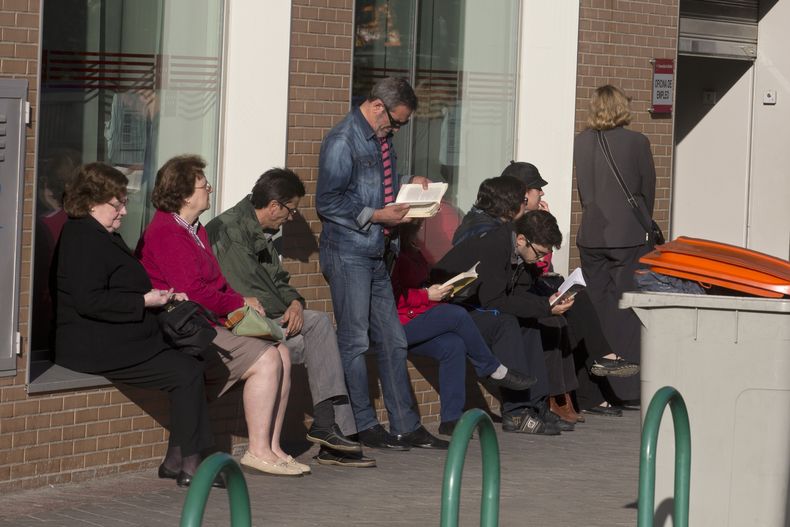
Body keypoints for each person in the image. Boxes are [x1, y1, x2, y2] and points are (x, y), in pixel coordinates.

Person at [53, 162, 221, 488]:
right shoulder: (83, 238)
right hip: (94, 345)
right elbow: (90, 301)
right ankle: (189, 462)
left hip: (116, 336)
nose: (125, 212)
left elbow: (116, 287)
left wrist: (160, 297)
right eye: (117, 204)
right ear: (90, 202)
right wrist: (145, 302)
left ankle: (179, 458)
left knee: (193, 360)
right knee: (185, 371)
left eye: (125, 203)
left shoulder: (99, 233)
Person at [136, 155, 303, 477]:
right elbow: (194, 291)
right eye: (204, 186)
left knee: (281, 350)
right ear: (185, 195)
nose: (210, 190)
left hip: (207, 318)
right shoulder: (168, 233)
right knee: (267, 359)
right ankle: (257, 451)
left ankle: (272, 447)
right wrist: (238, 302)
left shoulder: (193, 229)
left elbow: (215, 282)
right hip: (182, 325)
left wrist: (239, 304)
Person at [206, 167, 374, 468]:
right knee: (317, 341)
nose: (292, 216)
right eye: (291, 210)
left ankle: (329, 426)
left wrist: (295, 303)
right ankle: (333, 431)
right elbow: (247, 290)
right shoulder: (230, 230)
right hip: (241, 328)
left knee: (318, 322)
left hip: (266, 320)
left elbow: (278, 281)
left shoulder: (260, 231)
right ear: (274, 206)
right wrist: (286, 308)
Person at [316, 76, 447, 450]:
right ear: (377, 107)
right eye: (396, 121)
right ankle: (362, 423)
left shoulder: (380, 139)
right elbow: (328, 202)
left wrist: (410, 181)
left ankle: (406, 425)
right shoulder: (343, 140)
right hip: (349, 252)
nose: (397, 129)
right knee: (355, 341)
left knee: (393, 340)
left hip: (377, 253)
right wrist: (377, 216)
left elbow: (376, 185)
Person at [435, 211, 576, 434]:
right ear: (521, 240)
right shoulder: (493, 247)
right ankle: (516, 412)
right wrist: (544, 307)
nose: (540, 260)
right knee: (507, 323)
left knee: (530, 323)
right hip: (450, 310)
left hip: (476, 307)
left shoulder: (520, 252)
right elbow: (495, 300)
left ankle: (537, 404)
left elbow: (519, 293)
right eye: (539, 253)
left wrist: (547, 303)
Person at [391, 221, 536, 436]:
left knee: (454, 345)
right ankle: (492, 369)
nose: (422, 228)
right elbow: (391, 295)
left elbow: (421, 284)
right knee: (457, 315)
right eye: (418, 224)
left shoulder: (414, 250)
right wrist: (425, 295)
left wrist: (441, 291)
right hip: (399, 324)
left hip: (419, 315)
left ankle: (451, 420)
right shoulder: (393, 255)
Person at [573, 85, 657, 405]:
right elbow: (646, 191)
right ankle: (626, 388)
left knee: (595, 309)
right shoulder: (637, 142)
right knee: (626, 311)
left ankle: (595, 388)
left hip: (592, 235)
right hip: (628, 236)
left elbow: (584, 192)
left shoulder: (581, 141)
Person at [451, 175, 526, 246]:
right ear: (511, 204)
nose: (525, 205)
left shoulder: (475, 221)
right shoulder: (490, 234)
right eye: (524, 200)